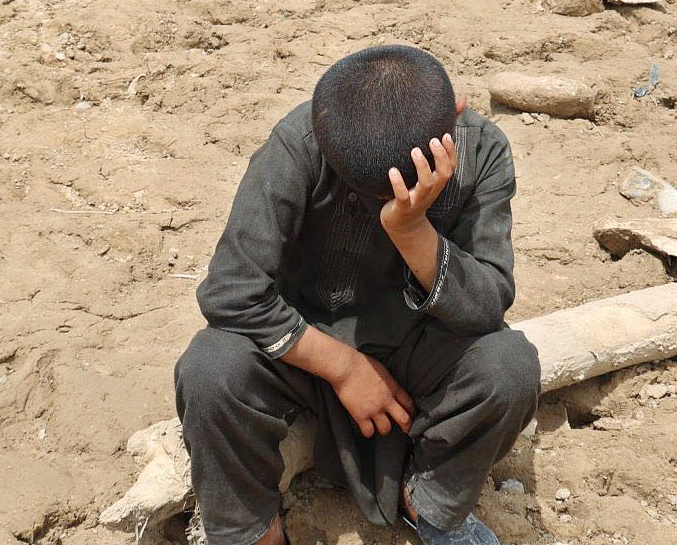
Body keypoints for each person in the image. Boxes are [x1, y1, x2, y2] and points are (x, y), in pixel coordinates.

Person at [175, 44, 540, 545]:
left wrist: (412, 229)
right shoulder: (298, 143)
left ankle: (429, 506)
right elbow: (231, 292)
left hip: (420, 346)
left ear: (456, 113)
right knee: (211, 369)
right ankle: (254, 534)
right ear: (321, 129)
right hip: (302, 343)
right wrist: (343, 367)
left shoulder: (481, 149)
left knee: (509, 367)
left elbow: (486, 305)